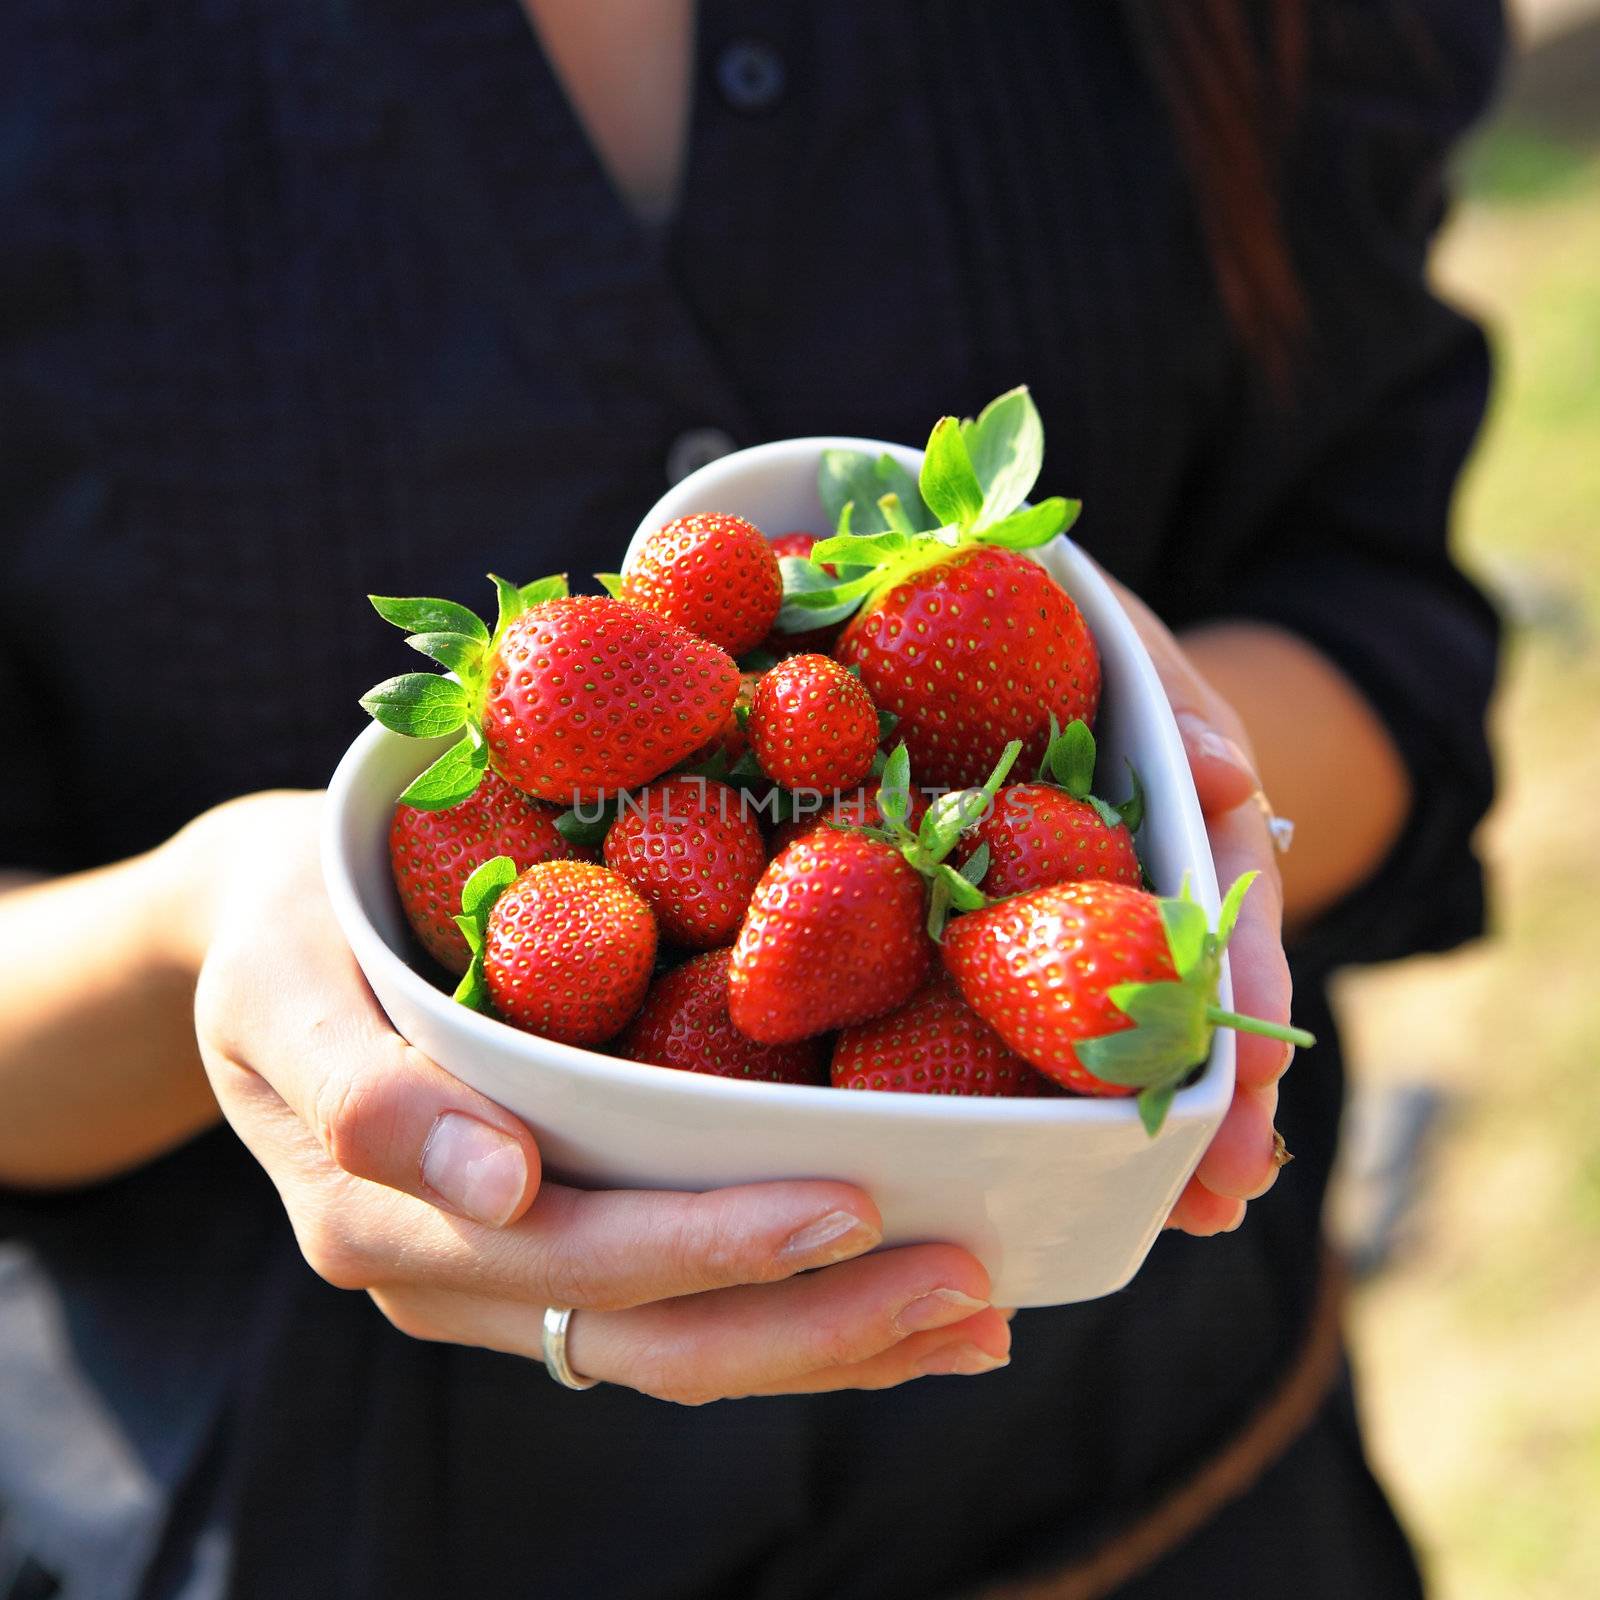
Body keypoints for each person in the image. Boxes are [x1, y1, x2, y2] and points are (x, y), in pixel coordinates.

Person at [0, 2, 1501, 1596]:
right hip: (313, 1520)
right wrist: (202, 924)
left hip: (1168, 1508)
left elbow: (1379, 614)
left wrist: (1169, 791)